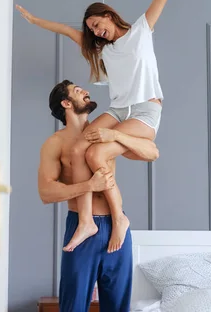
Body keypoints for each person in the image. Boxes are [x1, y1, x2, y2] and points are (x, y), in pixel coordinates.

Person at [19, 0, 202, 253]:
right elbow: (66, 31)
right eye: (90, 28)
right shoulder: (102, 54)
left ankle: (119, 217)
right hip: (119, 109)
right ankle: (86, 222)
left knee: (97, 153)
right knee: (79, 147)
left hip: (145, 109)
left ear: (108, 15)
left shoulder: (141, 32)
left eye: (96, 23)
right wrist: (35, 21)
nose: (93, 30)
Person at [39, 80, 159, 312]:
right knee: (73, 305)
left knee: (117, 304)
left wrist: (116, 135)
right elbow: (46, 192)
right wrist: (88, 185)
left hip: (116, 226)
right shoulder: (55, 143)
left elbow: (152, 152)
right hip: (82, 227)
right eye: (77, 91)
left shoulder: (103, 134)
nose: (86, 91)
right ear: (66, 103)